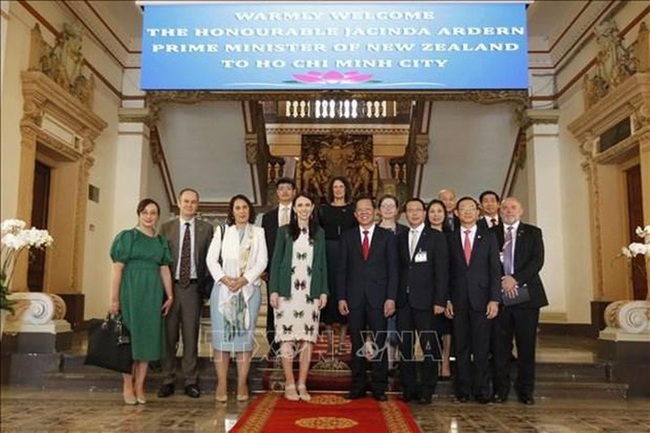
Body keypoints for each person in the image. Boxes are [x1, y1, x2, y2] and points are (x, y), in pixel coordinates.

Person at [109, 198, 174, 405]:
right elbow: (117, 269)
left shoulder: (160, 242)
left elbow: (164, 270)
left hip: (152, 293)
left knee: (147, 339)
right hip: (131, 291)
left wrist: (170, 296)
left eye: (153, 213)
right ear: (138, 214)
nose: (149, 216)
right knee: (129, 341)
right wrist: (114, 299)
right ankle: (127, 385)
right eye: (145, 212)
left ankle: (140, 385)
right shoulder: (127, 237)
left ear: (157, 216)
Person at [206, 194, 268, 402]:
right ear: (232, 211)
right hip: (224, 291)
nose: (241, 211)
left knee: (244, 339)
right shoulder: (222, 232)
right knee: (222, 339)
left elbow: (262, 261)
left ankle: (242, 383)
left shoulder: (258, 233)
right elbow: (211, 259)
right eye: (237, 208)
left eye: (244, 207)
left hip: (248, 291)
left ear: (250, 210)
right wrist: (224, 279)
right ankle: (222, 382)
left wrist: (245, 279)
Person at [268, 192, 329, 401]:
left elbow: (322, 264)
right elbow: (276, 262)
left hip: (310, 294)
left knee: (307, 339)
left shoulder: (319, 232)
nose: (303, 208)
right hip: (287, 292)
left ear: (312, 208)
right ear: (294, 209)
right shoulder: (284, 231)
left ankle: (302, 383)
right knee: (286, 338)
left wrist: (323, 291)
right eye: (300, 205)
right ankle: (289, 382)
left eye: (307, 204)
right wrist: (273, 290)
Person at [338, 197, 398, 402]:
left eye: (368, 209)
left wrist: (391, 298)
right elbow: (342, 270)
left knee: (380, 342)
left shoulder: (387, 237)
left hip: (380, 298)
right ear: (355, 214)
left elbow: (393, 270)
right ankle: (358, 385)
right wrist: (341, 297)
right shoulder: (347, 237)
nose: (364, 213)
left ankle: (380, 386)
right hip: (354, 298)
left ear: (375, 212)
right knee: (356, 343)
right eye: (360, 210)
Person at [157, 188, 214, 399]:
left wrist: (207, 289)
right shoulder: (166, 228)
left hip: (192, 288)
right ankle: (168, 379)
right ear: (178, 203)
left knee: (191, 335)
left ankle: (191, 380)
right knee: (169, 335)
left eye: (193, 202)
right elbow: (160, 259)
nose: (189, 205)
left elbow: (210, 261)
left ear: (197, 205)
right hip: (170, 287)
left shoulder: (206, 229)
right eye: (186, 201)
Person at [492, 197, 548, 405]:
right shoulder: (491, 233)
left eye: (513, 207)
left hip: (527, 298)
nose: (508, 211)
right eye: (504, 208)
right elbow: (487, 261)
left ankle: (526, 390)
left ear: (521, 210)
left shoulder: (533, 232)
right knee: (500, 347)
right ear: (499, 211)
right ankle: (501, 390)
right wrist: (502, 280)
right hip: (500, 298)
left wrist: (515, 279)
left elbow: (537, 260)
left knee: (526, 346)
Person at [445, 196, 501, 404]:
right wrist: (447, 299)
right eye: (463, 209)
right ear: (457, 213)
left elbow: (496, 270)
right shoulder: (449, 238)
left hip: (482, 300)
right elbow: (446, 273)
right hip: (458, 301)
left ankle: (481, 389)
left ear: (478, 213)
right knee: (461, 347)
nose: (467, 212)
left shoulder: (488, 238)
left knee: (481, 347)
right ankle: (463, 389)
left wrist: (494, 299)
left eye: (471, 208)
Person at [397, 198, 449, 405]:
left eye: (418, 210)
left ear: (424, 212)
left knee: (429, 347)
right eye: (410, 210)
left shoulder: (436, 237)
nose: (415, 214)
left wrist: (440, 300)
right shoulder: (400, 237)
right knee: (405, 347)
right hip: (404, 302)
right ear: (405, 214)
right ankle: (409, 388)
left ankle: (427, 389)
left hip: (428, 302)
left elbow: (442, 272)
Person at [318, 176, 357, 354]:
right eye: (335, 186)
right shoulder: (323, 210)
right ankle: (329, 344)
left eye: (341, 186)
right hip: (328, 255)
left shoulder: (353, 210)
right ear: (331, 190)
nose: (338, 189)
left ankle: (341, 342)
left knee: (344, 294)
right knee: (329, 296)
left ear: (346, 189)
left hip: (348, 255)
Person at [261, 178, 296, 358]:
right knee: (273, 308)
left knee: (293, 306)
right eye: (281, 189)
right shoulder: (267, 218)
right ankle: (274, 345)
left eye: (288, 189)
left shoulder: (300, 215)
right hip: (273, 270)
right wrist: (265, 268)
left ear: (294, 192)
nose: (284, 192)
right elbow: (264, 244)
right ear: (277, 193)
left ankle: (292, 344)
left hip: (296, 270)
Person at [376, 194, 408, 374]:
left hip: (401, 282)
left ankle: (395, 358)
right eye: (384, 206)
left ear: (397, 210)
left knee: (398, 323)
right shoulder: (372, 230)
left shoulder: (404, 231)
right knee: (383, 322)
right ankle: (385, 362)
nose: (388, 209)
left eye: (391, 206)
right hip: (379, 282)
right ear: (378, 210)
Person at [426, 198, 453, 380]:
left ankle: (445, 362)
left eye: (439, 211)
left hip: (449, 289)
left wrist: (448, 297)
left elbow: (455, 269)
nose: (436, 215)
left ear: (445, 215)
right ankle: (432, 362)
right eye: (432, 211)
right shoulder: (422, 236)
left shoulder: (452, 237)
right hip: (427, 291)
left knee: (447, 328)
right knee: (431, 329)